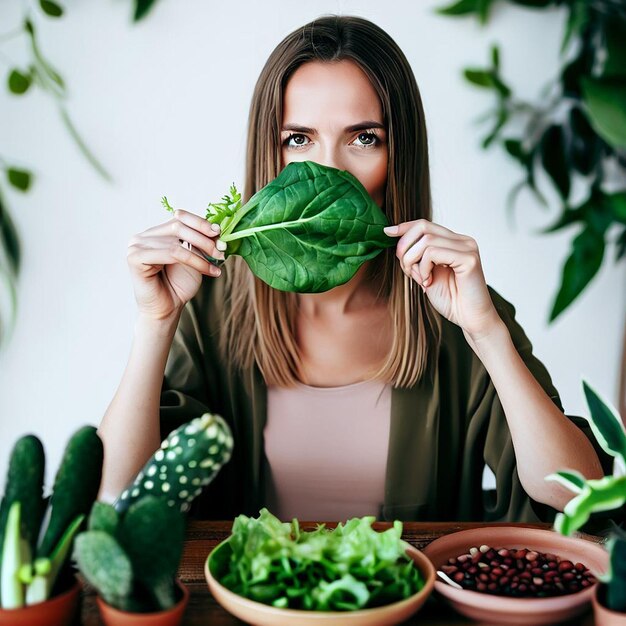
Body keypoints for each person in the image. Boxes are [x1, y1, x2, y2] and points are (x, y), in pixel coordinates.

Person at [98, 15, 608, 523]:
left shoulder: (455, 305)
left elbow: (577, 497)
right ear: (267, 156)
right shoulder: (208, 303)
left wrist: (486, 332)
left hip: (412, 605)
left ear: (399, 154)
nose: (329, 172)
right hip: (250, 606)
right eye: (298, 139)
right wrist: (156, 321)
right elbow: (115, 498)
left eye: (364, 138)